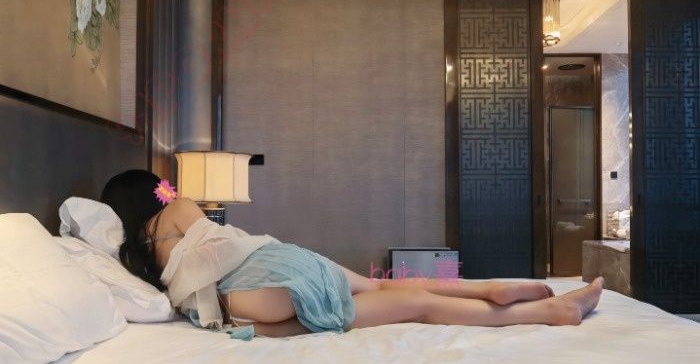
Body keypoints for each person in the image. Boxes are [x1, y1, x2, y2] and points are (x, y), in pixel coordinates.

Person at [101, 170, 603, 339]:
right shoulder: (178, 207)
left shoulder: (136, 260)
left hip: (243, 307)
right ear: (152, 191)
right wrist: (176, 194)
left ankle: (546, 310)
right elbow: (219, 243)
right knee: (391, 287)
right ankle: (503, 292)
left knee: (393, 311)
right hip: (272, 266)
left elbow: (195, 284)